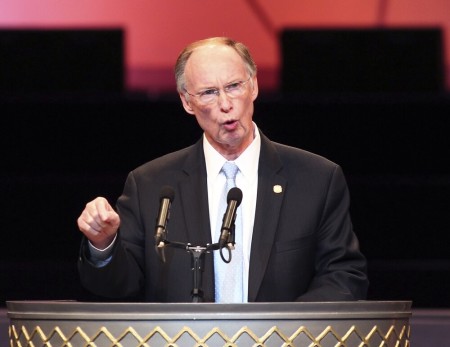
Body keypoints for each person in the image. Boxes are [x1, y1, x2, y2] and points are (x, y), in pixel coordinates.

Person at [77, 37, 368, 303]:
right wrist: (103, 244)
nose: (225, 104)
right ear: (187, 101)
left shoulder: (317, 179)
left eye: (233, 86)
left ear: (253, 86)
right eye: (208, 93)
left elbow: (343, 276)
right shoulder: (150, 184)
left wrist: (282, 332)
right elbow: (118, 288)